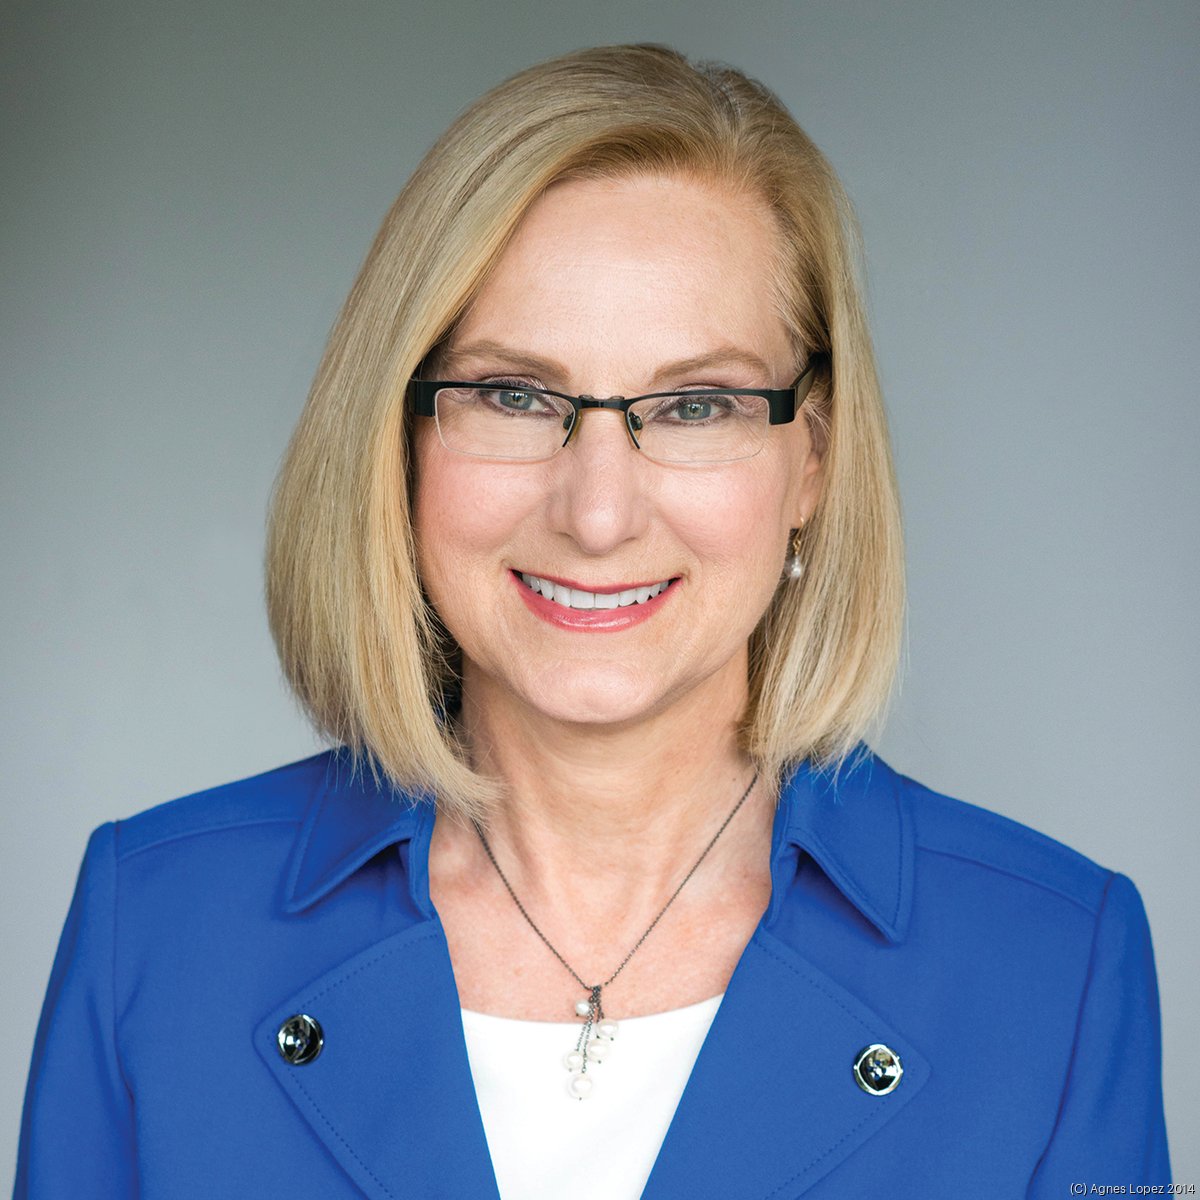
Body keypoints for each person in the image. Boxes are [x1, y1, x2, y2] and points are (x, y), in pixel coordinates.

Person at [14, 44, 1169, 1199]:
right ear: (399, 441)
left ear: (812, 459)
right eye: (514, 395)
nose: (599, 513)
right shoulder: (156, 926)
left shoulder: (1053, 963)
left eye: (697, 404)